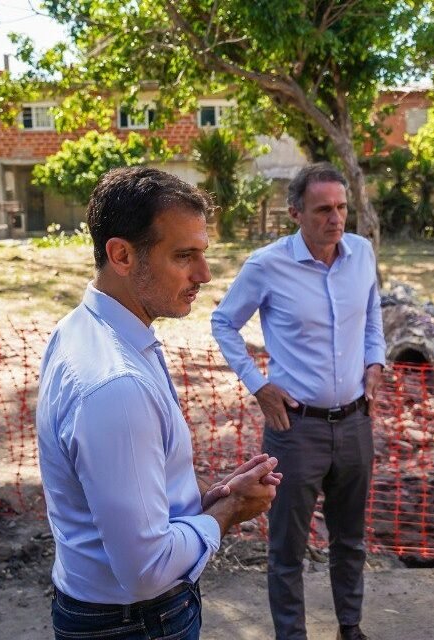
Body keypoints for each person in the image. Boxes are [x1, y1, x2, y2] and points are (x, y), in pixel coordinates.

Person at [37, 166, 281, 640]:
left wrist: (204, 503)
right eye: (184, 256)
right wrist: (228, 511)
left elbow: (125, 508)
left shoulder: (83, 329)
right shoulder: (117, 386)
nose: (204, 275)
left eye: (203, 254)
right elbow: (147, 570)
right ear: (122, 255)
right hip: (136, 623)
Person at [211, 162, 385, 640]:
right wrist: (258, 384)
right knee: (287, 547)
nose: (336, 218)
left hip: (355, 422)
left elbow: (371, 313)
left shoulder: (362, 253)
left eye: (342, 207)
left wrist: (375, 361)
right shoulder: (267, 265)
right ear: (295, 213)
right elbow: (223, 322)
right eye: (323, 209)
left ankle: (350, 627)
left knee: (350, 540)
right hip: (295, 429)